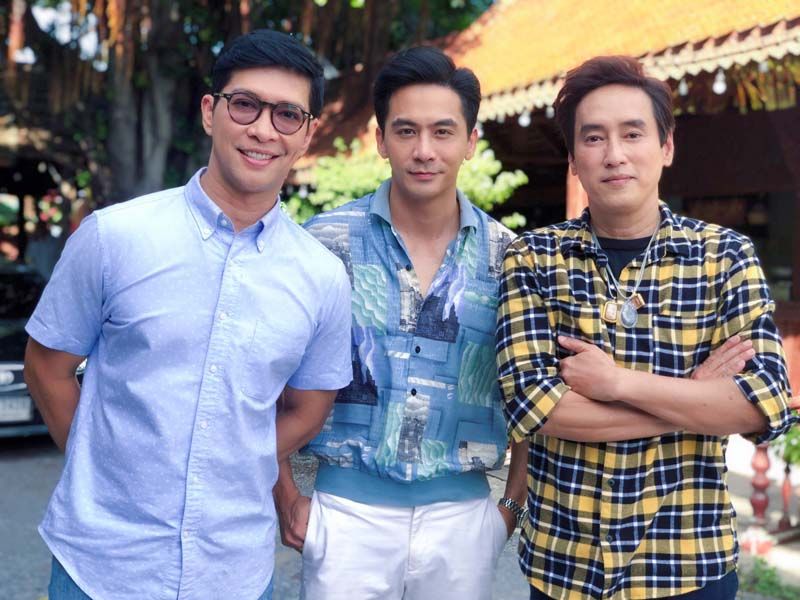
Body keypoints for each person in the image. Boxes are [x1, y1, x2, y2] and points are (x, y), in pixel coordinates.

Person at [23, 29, 352, 600]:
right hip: (100, 568)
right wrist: (109, 469)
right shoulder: (114, 237)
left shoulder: (321, 276)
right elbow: (47, 368)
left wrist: (238, 456)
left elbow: (310, 407)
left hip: (235, 572)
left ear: (306, 134)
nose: (263, 129)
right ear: (209, 112)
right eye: (245, 104)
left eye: (287, 115)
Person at [496, 55, 799, 600]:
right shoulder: (534, 258)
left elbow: (765, 404)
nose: (614, 154)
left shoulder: (724, 257)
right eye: (593, 138)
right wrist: (695, 398)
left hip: (687, 561)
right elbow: (533, 408)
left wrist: (618, 383)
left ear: (666, 146)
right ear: (573, 159)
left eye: (633, 133)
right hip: (565, 565)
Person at [273, 46, 526, 600]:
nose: (424, 150)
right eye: (406, 131)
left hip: (463, 522)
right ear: (381, 140)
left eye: (443, 131)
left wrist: (510, 506)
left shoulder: (510, 258)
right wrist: (285, 495)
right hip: (346, 519)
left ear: (470, 141)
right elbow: (267, 377)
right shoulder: (324, 244)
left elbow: (531, 392)